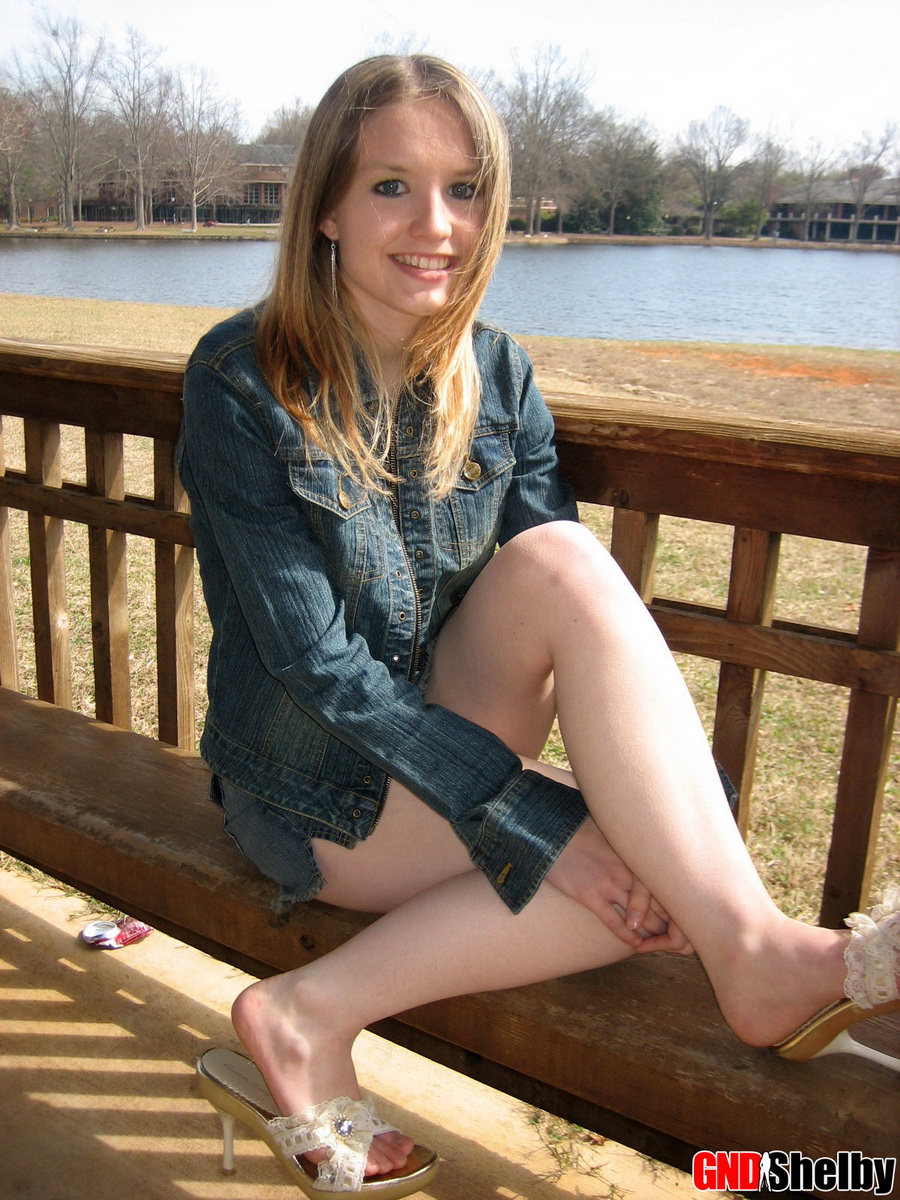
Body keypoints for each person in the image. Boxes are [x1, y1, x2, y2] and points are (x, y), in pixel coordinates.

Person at [177, 53, 899, 1198]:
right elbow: (316, 662)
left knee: (659, 845)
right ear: (325, 206)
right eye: (391, 186)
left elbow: (554, 603)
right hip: (312, 792)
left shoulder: (498, 376)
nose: (437, 225)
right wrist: (523, 811)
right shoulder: (242, 379)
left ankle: (743, 954)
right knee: (644, 867)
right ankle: (313, 1014)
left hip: (448, 763)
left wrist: (540, 809)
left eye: (464, 189)